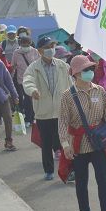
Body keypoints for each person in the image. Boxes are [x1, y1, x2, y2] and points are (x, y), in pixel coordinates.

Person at [59, 55, 106, 211]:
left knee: (103, 180)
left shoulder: (100, 91)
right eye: (86, 69)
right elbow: (63, 122)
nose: (90, 72)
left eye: (92, 68)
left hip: (99, 143)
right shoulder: (67, 95)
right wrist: (65, 145)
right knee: (81, 182)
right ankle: (84, 210)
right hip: (78, 145)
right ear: (76, 73)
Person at [23, 36, 73, 180]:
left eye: (52, 46)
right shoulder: (34, 67)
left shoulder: (63, 66)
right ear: (39, 51)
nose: (51, 50)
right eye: (47, 47)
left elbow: (71, 84)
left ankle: (69, 170)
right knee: (46, 143)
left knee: (64, 141)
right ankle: (49, 170)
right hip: (43, 112)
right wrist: (32, 90)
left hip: (61, 111)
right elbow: (28, 81)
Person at [11, 35, 40, 126]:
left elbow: (39, 63)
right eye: (23, 45)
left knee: (33, 99)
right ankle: (28, 118)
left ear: (30, 43)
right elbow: (13, 65)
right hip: (22, 80)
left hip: (34, 79)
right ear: (20, 44)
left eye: (27, 45)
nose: (25, 47)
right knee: (27, 99)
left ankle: (33, 117)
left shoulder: (35, 51)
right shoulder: (16, 52)